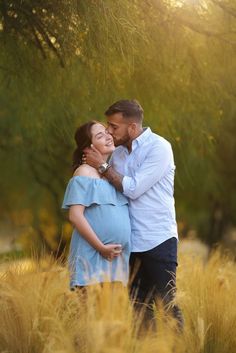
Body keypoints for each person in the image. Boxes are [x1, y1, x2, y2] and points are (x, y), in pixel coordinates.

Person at [83, 100, 184, 330]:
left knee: (168, 306)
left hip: (158, 240)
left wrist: (102, 167)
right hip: (131, 244)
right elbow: (106, 188)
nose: (109, 131)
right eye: (107, 126)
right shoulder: (117, 154)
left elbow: (133, 188)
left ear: (132, 127)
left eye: (113, 126)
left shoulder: (159, 148)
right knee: (139, 311)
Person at [62, 121, 131, 290]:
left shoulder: (111, 175)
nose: (108, 136)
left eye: (107, 132)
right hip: (92, 256)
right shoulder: (84, 172)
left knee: (113, 316)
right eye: (100, 135)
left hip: (116, 260)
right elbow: (75, 216)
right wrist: (101, 248)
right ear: (88, 148)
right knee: (91, 314)